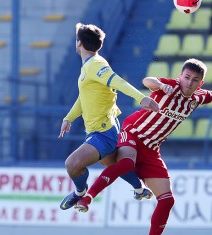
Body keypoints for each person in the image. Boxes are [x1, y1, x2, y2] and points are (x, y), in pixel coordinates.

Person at [75, 58, 212, 235]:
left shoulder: (198, 97)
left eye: (195, 80)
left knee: (167, 200)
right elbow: (147, 81)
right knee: (126, 162)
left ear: (200, 84)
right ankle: (88, 197)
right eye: (186, 77)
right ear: (180, 76)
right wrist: (161, 85)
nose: (189, 82)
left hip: (152, 148)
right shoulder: (170, 86)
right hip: (134, 132)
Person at [58, 23, 160, 211]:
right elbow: (85, 97)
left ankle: (80, 192)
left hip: (103, 131)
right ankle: (139, 188)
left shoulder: (95, 65)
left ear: (79, 43)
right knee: (113, 163)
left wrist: (141, 98)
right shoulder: (90, 65)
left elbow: (117, 81)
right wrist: (69, 118)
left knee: (72, 164)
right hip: (101, 128)